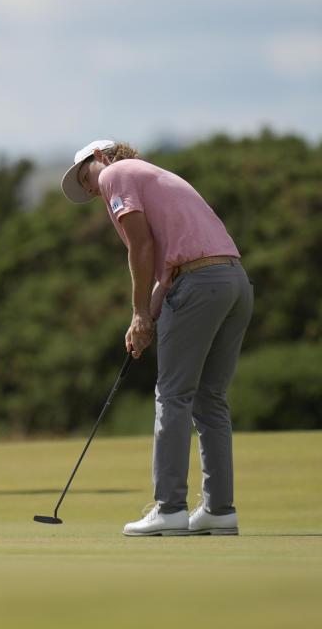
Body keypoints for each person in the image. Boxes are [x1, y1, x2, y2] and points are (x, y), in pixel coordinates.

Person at [61, 140, 253, 536]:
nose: (93, 190)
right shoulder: (158, 177)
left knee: (173, 395)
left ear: (100, 158)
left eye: (86, 178)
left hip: (198, 283)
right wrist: (145, 316)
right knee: (209, 398)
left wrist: (136, 313)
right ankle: (219, 510)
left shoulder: (116, 172)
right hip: (234, 281)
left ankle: (170, 508)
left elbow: (141, 247)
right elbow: (169, 267)